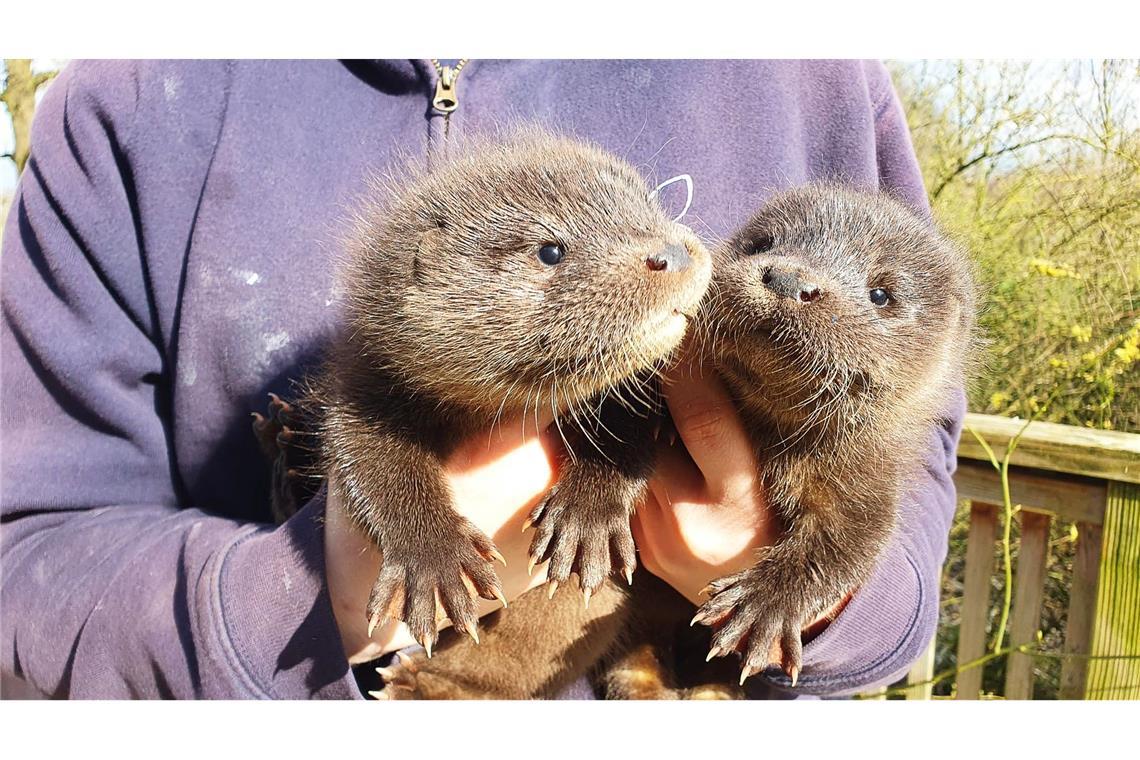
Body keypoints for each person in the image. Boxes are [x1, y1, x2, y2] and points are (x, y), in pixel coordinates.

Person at [0, 59, 962, 699]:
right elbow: (29, 554)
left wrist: (820, 596)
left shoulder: (810, 68)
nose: (677, 254)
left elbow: (916, 428)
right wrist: (312, 593)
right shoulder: (131, 96)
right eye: (552, 252)